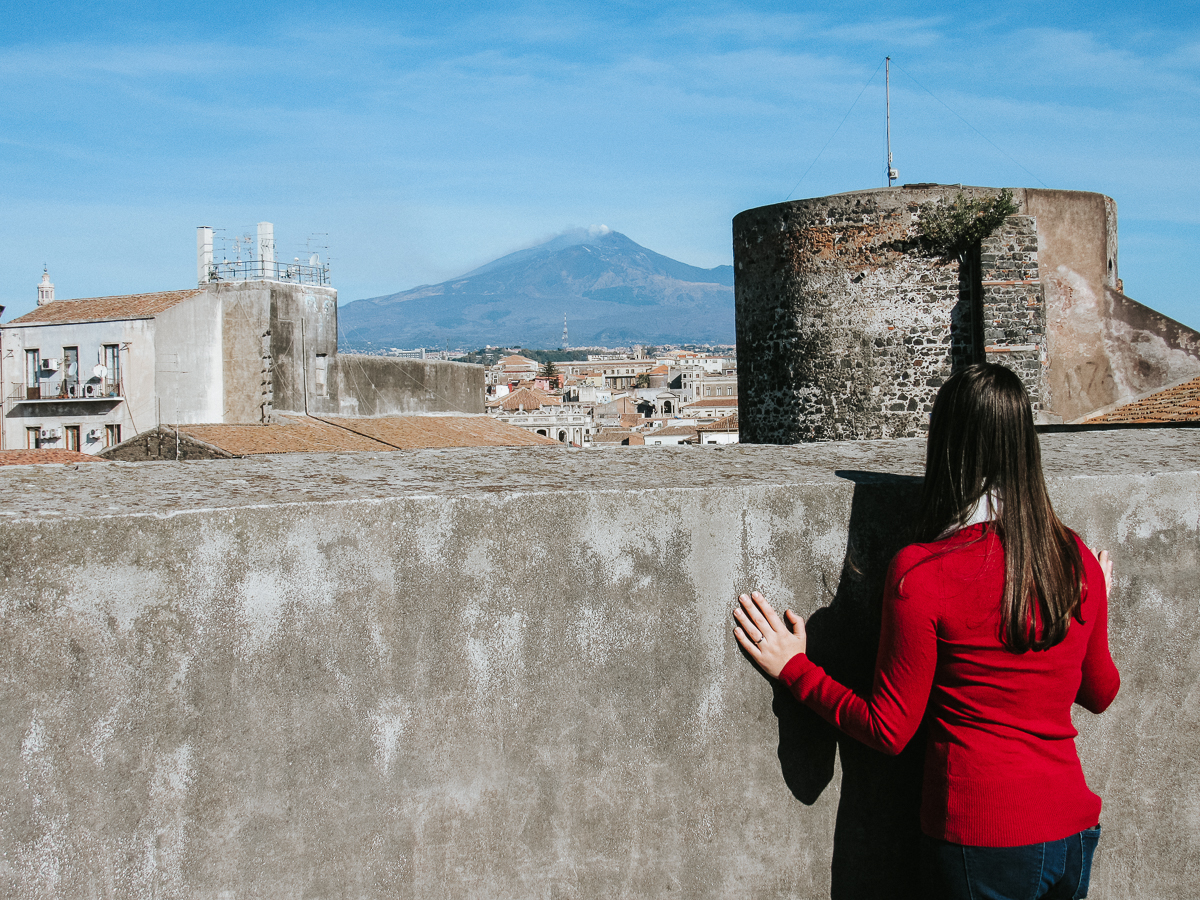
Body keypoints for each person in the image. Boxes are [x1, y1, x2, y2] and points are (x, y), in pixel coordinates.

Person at [733, 363, 1120, 900]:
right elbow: (1099, 693)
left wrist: (795, 670)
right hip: (1072, 831)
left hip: (982, 841)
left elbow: (888, 729)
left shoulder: (924, 572)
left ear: (946, 449)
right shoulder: (1073, 558)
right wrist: (1097, 596)